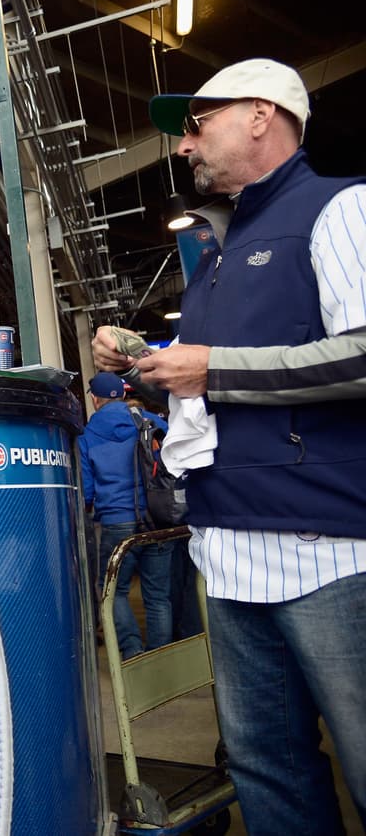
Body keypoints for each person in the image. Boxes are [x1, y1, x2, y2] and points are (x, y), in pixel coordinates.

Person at [94, 58, 366, 835]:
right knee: (263, 768)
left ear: (259, 114)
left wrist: (213, 365)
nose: (184, 146)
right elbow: (217, 397)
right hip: (230, 550)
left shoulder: (338, 209)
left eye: (197, 122)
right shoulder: (216, 256)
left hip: (332, 550)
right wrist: (151, 372)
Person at [78, 372, 172, 660]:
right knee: (157, 595)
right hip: (156, 519)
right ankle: (161, 657)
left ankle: (132, 651)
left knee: (113, 590)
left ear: (95, 399)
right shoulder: (148, 421)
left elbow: (88, 494)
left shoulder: (87, 437)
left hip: (117, 523)